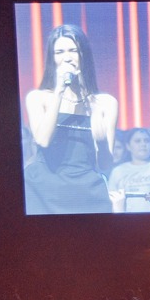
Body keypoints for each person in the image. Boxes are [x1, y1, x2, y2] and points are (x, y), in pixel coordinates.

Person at [23, 24, 118, 214]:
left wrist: (101, 142)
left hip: (86, 190)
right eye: (59, 52)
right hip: (43, 190)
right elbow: (42, 140)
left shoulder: (105, 103)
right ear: (52, 59)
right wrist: (58, 91)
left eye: (73, 50)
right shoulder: (37, 98)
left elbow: (105, 165)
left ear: (84, 55)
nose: (67, 57)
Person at [107, 128, 150, 212]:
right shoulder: (117, 171)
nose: (143, 144)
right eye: (137, 141)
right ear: (128, 146)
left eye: (146, 141)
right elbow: (111, 202)